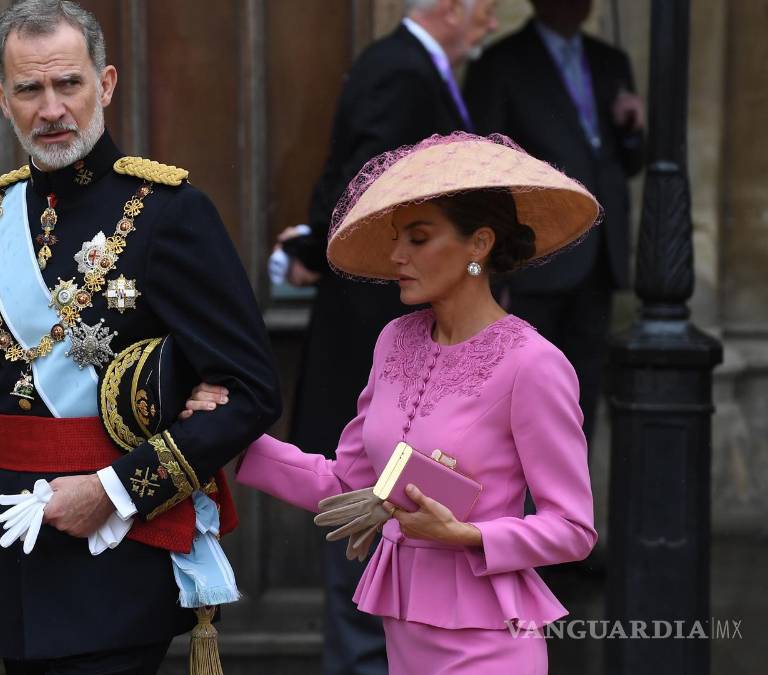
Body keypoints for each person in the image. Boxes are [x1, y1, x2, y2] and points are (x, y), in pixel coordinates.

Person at [0, 1, 281, 673]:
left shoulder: (169, 213)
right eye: (31, 90)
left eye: (68, 83)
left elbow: (252, 390)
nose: (52, 108)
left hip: (119, 553)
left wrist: (116, 490)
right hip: (17, 562)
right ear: (2, 100)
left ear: (107, 84)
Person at [197, 132, 599, 674]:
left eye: (418, 238)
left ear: (478, 244)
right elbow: (348, 483)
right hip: (404, 641)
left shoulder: (533, 364)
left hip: (490, 645)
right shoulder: (395, 339)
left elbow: (572, 529)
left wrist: (467, 535)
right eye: (396, 238)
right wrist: (231, 436)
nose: (396, 256)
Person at [272, 1, 497, 672]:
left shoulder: (410, 69)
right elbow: (367, 198)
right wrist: (321, 241)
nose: (490, 20)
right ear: (451, 7)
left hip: (411, 376)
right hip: (374, 367)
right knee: (367, 564)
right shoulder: (399, 73)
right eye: (484, 5)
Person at [464, 0, 645, 446]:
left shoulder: (610, 61)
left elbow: (631, 162)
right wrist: (495, 264)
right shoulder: (501, 61)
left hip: (599, 255)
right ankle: (524, 511)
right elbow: (484, 168)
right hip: (534, 257)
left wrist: (631, 129)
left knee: (583, 392)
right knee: (521, 393)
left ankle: (571, 508)